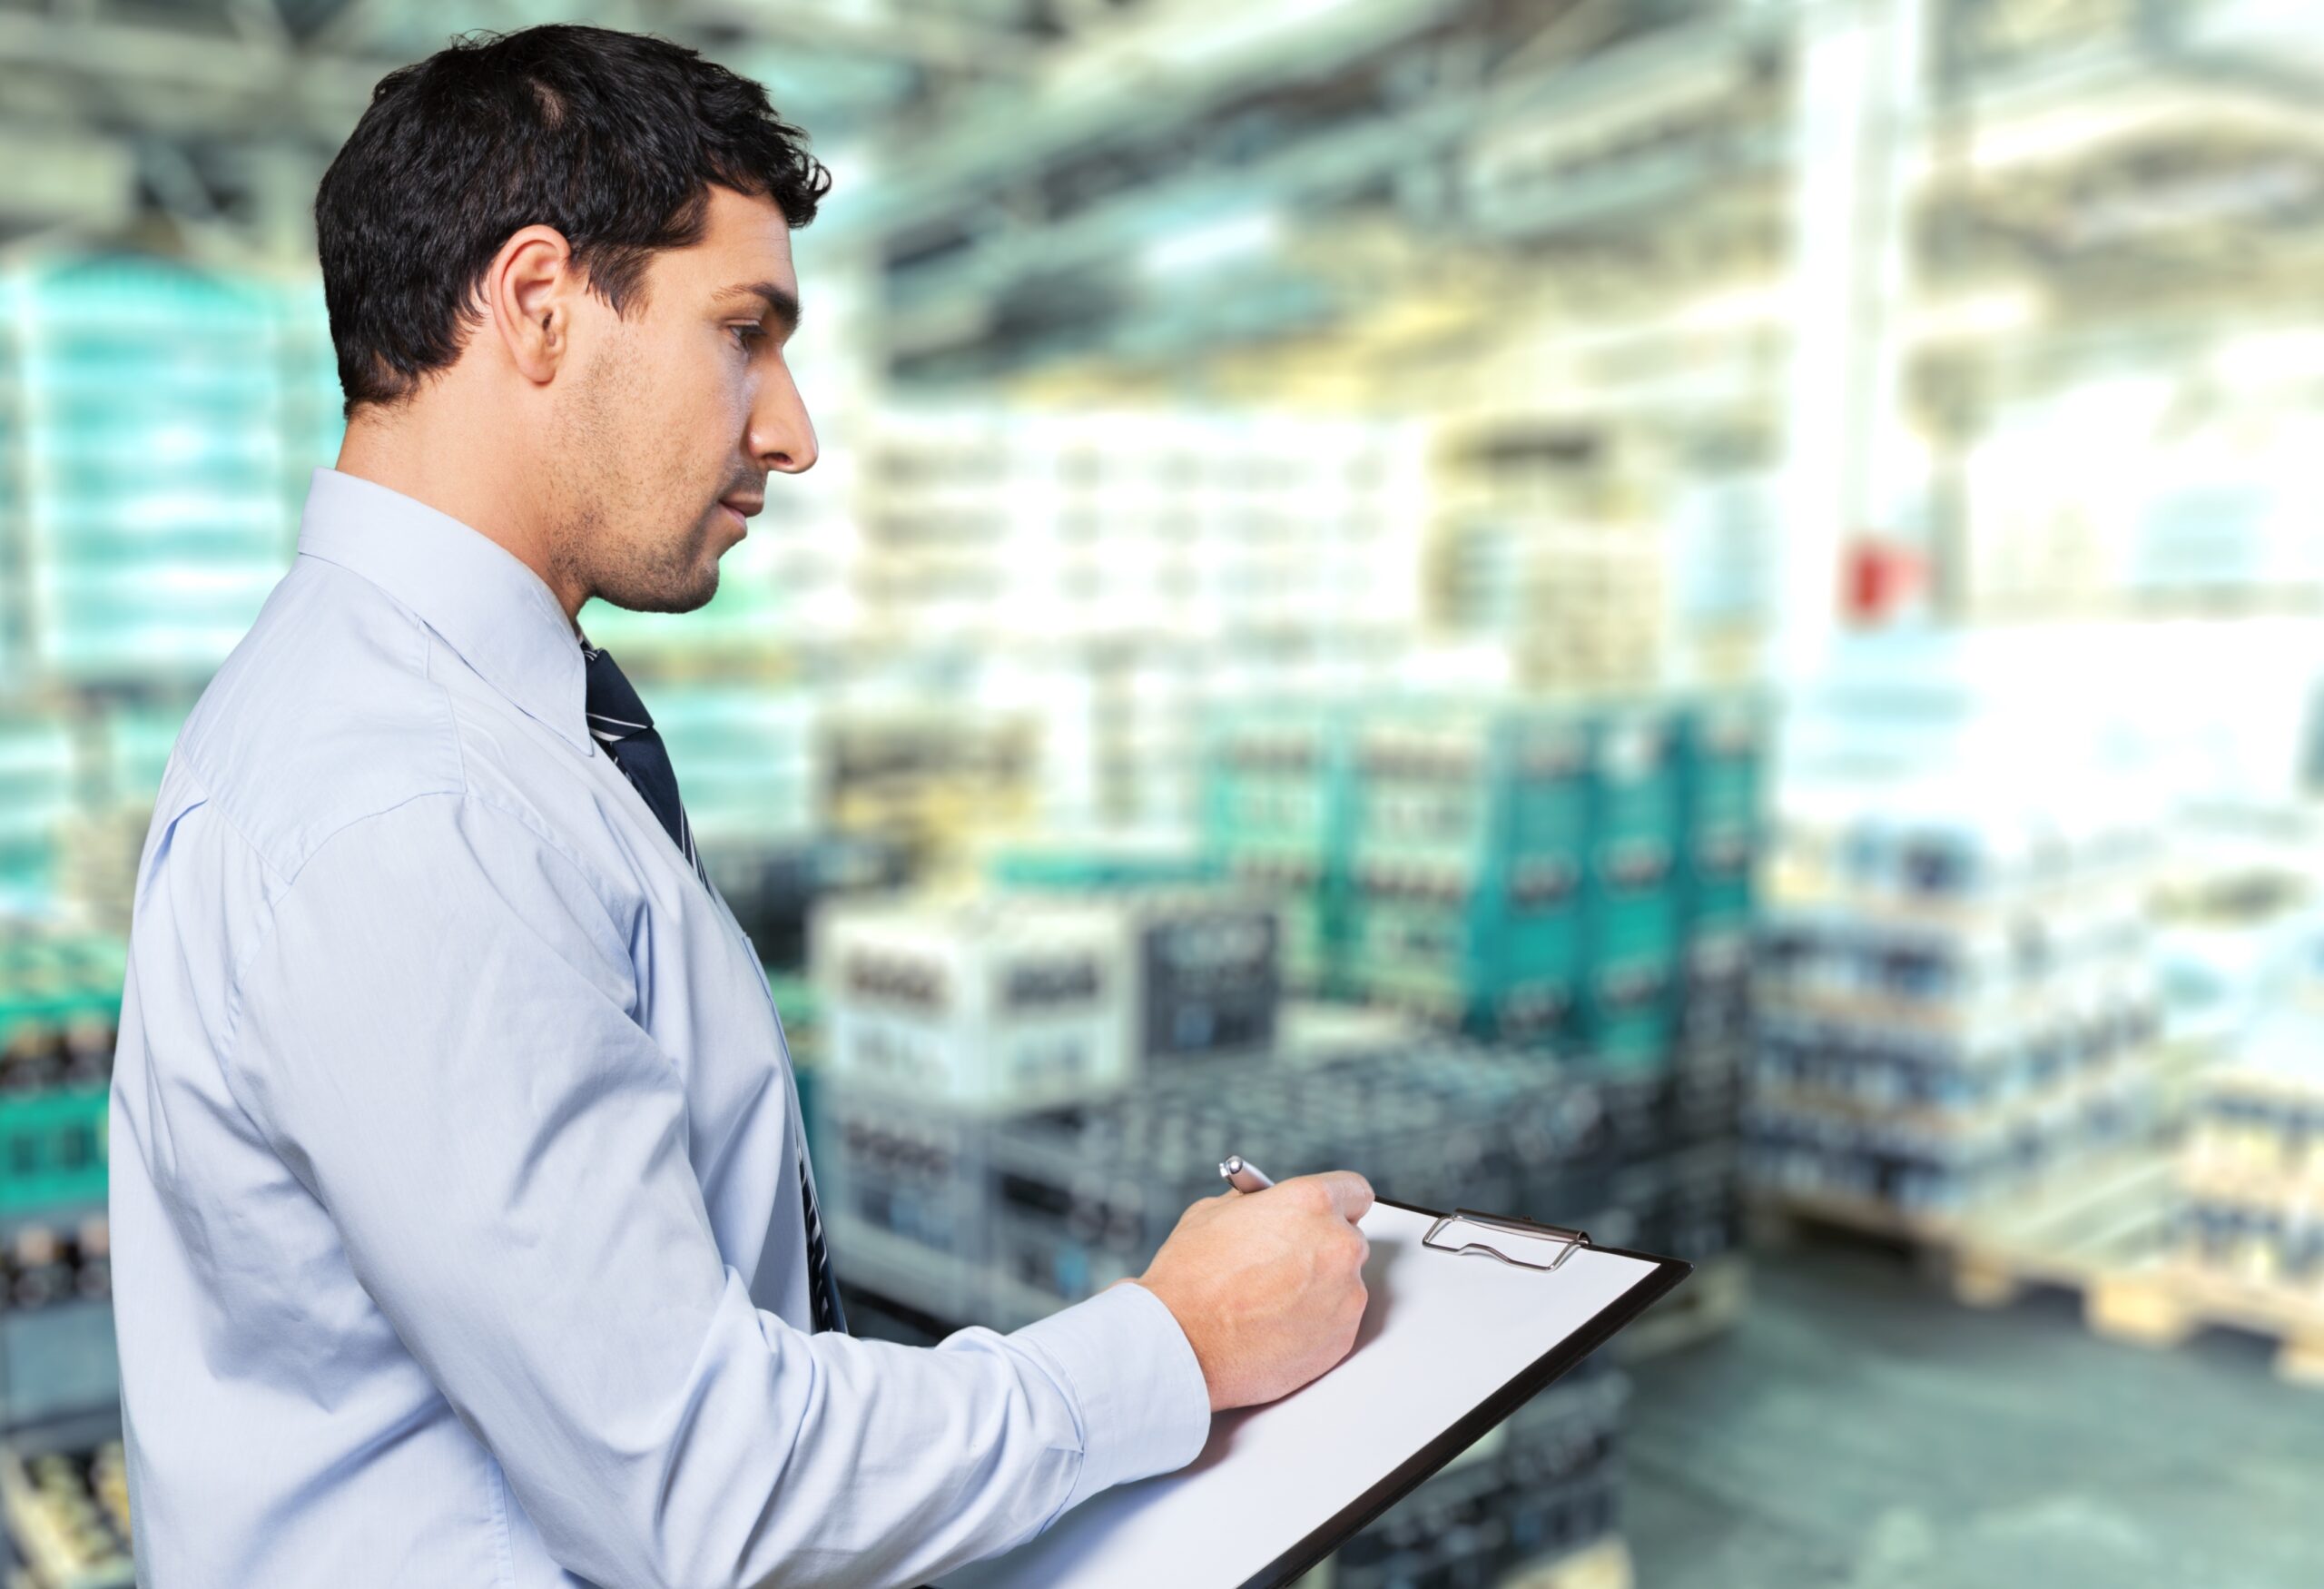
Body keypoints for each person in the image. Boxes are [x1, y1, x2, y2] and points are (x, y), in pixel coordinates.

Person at [107, 23, 1373, 1589]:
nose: (793, 429)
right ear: (537, 303)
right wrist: (1175, 1345)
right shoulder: (407, 806)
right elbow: (706, 1483)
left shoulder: (463, 723)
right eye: (744, 332)